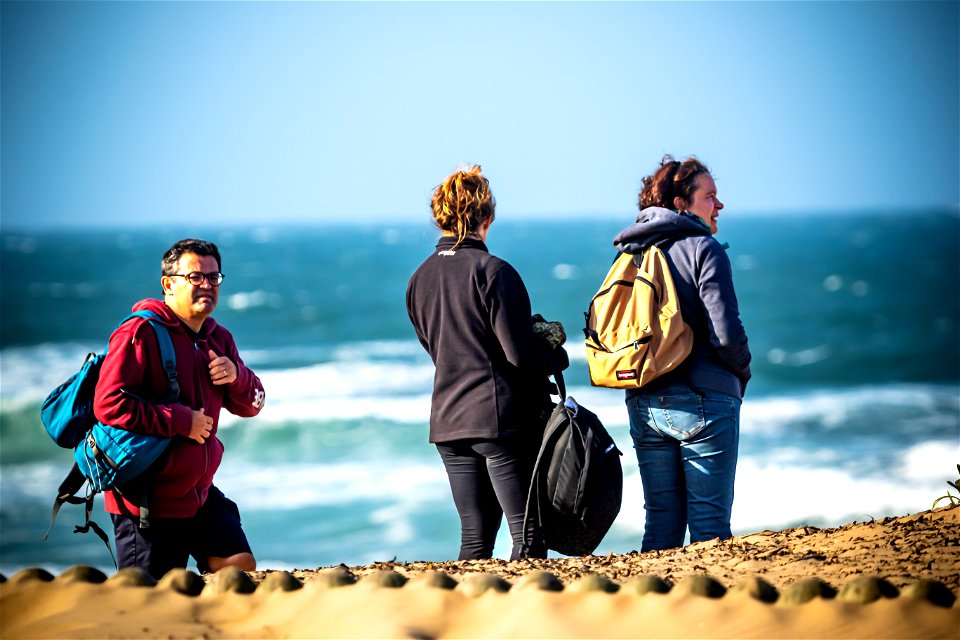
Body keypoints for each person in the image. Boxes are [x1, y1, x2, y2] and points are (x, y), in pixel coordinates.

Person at [93, 238, 266, 578]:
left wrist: (237, 376)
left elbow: (253, 405)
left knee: (237, 566)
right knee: (148, 598)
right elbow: (108, 403)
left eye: (213, 278)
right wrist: (181, 421)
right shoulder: (139, 332)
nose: (206, 285)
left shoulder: (219, 338)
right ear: (168, 285)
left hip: (198, 494)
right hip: (147, 502)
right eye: (195, 277)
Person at [406, 165, 548, 560]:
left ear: (442, 218)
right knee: (527, 537)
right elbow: (518, 355)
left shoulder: (419, 279)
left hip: (449, 421)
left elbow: (437, 347)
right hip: (498, 421)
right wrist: (554, 352)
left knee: (474, 539)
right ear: (487, 218)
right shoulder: (495, 272)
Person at [613, 155, 751, 552]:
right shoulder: (704, 249)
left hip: (643, 401)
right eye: (710, 196)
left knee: (660, 527)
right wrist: (741, 373)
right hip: (704, 401)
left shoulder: (630, 251)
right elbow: (727, 335)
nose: (719, 205)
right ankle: (709, 611)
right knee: (709, 531)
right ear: (681, 203)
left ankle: (653, 609)